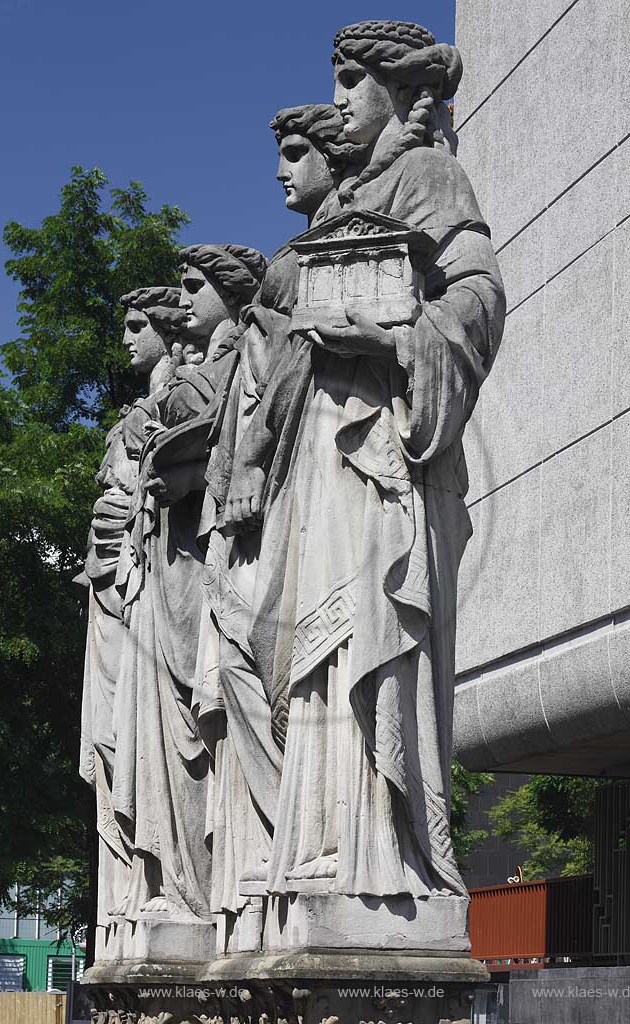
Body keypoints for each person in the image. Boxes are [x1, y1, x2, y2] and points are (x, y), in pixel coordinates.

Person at [227, 20, 506, 908]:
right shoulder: (343, 200)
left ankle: (373, 851)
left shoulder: (426, 174)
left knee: (366, 633)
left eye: (352, 82)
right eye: (337, 81)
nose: (340, 98)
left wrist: (390, 338)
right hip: (315, 450)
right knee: (307, 646)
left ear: (399, 93)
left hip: (380, 444)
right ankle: (315, 842)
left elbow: (478, 294)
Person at [192, 105, 366, 950]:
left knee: (271, 651)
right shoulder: (297, 259)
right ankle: (276, 841)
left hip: (305, 478)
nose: (278, 172)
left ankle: (298, 839)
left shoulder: (344, 243)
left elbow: (294, 366)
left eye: (295, 155)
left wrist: (255, 451)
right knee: (240, 665)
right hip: (260, 495)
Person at [108, 245, 267, 937]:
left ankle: (197, 888)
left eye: (192, 286)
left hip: (197, 563)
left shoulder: (242, 358)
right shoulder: (196, 374)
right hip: (160, 571)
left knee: (198, 725)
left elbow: (234, 445)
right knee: (157, 731)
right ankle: (168, 881)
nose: (183, 300)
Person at [77, 286, 190, 955]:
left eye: (137, 325)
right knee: (112, 744)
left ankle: (160, 882)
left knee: (146, 742)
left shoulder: (181, 403)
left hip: (156, 590)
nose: (125, 337)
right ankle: (123, 896)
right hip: (112, 597)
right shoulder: (127, 421)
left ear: (170, 331)